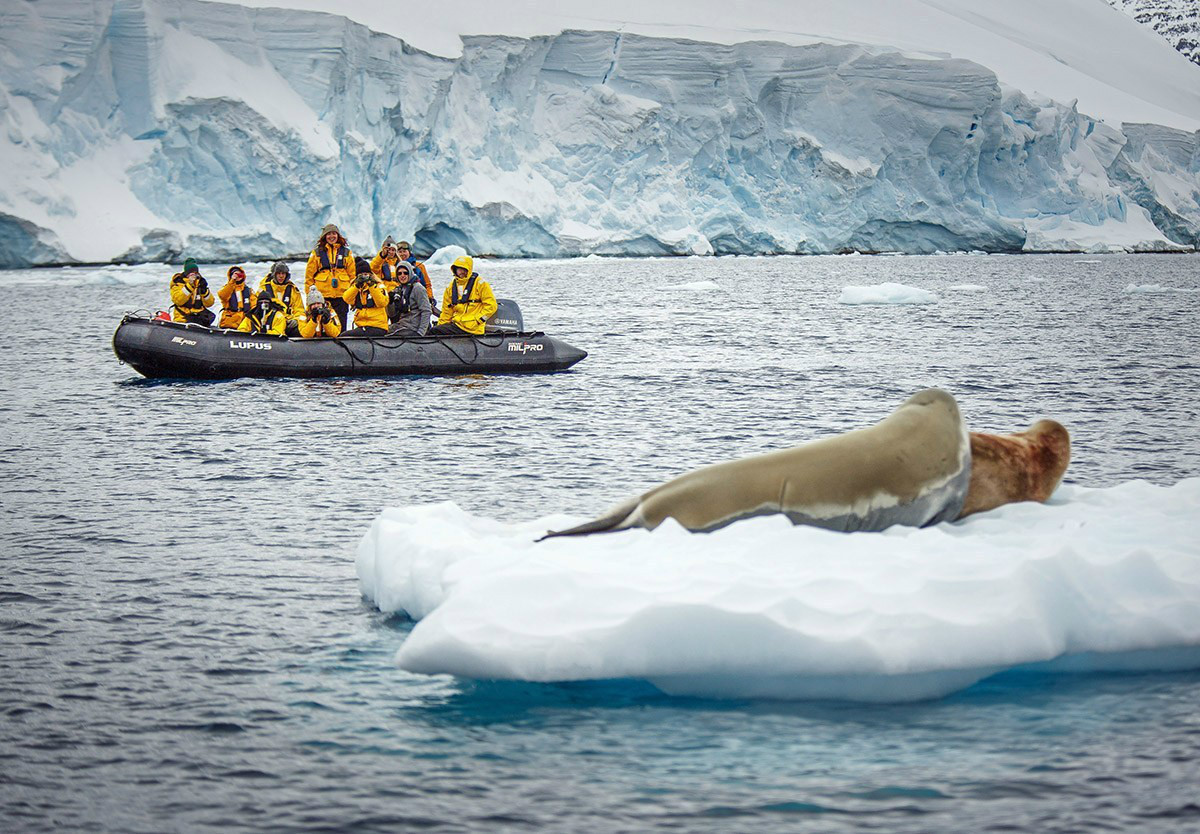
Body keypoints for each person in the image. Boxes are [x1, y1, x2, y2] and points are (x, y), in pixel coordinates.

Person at [429, 254, 497, 336]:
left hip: (474, 327)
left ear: (469, 269)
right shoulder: (450, 288)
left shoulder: (481, 284)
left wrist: (479, 320)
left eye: (464, 269)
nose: (462, 272)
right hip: (457, 325)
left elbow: (491, 306)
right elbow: (447, 312)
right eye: (459, 269)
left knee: (434, 331)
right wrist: (441, 325)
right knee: (434, 330)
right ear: (455, 270)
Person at [305, 223, 354, 330]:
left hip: (342, 296)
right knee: (323, 323)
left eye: (334, 234)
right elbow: (309, 277)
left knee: (341, 323)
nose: (331, 236)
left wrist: (352, 296)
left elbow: (352, 276)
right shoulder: (317, 253)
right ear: (324, 237)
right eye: (329, 234)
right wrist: (310, 297)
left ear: (338, 236)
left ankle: (340, 343)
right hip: (323, 297)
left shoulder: (346, 253)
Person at [341, 257, 389, 336]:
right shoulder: (357, 288)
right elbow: (346, 298)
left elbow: (382, 303)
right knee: (344, 335)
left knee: (345, 335)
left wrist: (371, 285)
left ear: (370, 274)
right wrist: (356, 286)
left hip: (377, 325)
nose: (364, 277)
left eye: (366, 274)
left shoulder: (379, 286)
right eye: (361, 275)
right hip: (362, 325)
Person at [258, 261, 304, 336]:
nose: (281, 276)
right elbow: (256, 308)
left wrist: (296, 320)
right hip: (270, 322)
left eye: (283, 273)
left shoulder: (293, 290)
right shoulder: (264, 288)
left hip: (287, 323)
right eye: (278, 273)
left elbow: (300, 310)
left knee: (302, 330)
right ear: (274, 274)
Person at [386, 261, 432, 336]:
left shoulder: (418, 288)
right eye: (399, 273)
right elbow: (392, 314)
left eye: (405, 273)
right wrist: (390, 302)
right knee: (382, 330)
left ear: (410, 273)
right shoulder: (399, 289)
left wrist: (420, 333)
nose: (402, 275)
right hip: (402, 324)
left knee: (389, 336)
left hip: (413, 327)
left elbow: (426, 311)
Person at [394, 239, 438, 314]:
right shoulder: (393, 267)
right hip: (401, 300)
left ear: (409, 252)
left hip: (417, 298)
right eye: (400, 252)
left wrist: (430, 297)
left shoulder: (419, 266)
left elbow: (427, 284)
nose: (402, 254)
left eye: (404, 251)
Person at [168, 258, 215, 325]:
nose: (193, 274)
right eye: (190, 272)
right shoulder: (178, 283)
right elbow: (178, 300)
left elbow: (210, 303)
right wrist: (189, 286)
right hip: (183, 318)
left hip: (199, 319)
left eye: (195, 272)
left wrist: (204, 291)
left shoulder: (200, 283)